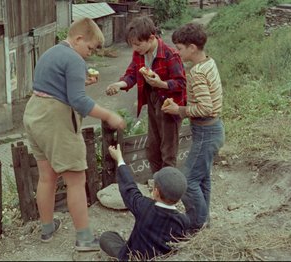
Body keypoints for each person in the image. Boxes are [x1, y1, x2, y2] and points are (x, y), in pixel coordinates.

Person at [23, 17, 126, 251]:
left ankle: (47, 229)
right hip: (54, 120)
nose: (89, 54)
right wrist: (109, 115)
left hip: (34, 113)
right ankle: (85, 239)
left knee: (47, 176)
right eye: (89, 48)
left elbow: (54, 86)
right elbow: (78, 102)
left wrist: (81, 83)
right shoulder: (75, 59)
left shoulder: (51, 52)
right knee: (77, 180)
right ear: (79, 38)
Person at [162, 22, 225, 232]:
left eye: (179, 48)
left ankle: (195, 225)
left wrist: (179, 110)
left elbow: (205, 108)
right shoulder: (209, 63)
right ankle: (203, 220)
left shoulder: (197, 72)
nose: (177, 52)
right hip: (213, 130)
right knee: (202, 178)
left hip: (207, 131)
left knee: (188, 181)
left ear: (192, 47)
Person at [105, 16, 187, 174]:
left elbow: (181, 83)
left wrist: (162, 84)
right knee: (151, 149)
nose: (135, 48)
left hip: (170, 105)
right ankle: (159, 182)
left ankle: (166, 191)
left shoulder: (171, 54)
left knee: (168, 152)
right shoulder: (139, 54)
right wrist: (119, 85)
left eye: (137, 44)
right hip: (152, 101)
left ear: (151, 38)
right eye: (132, 45)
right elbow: (131, 75)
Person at [100, 144, 190, 260]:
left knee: (106, 237)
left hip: (134, 258)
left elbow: (129, 188)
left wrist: (120, 159)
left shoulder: (144, 207)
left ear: (156, 192)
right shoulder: (183, 221)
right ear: (178, 198)